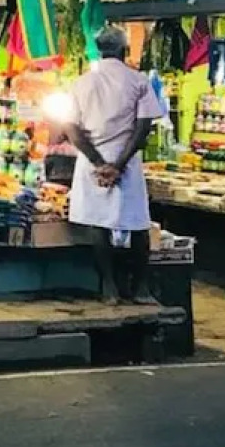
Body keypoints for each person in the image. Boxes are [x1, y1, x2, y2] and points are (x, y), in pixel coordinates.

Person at [62, 26, 166, 304]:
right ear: (124, 51)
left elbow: (71, 129)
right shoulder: (138, 81)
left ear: (98, 50)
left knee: (99, 224)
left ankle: (109, 288)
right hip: (127, 160)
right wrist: (118, 165)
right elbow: (143, 127)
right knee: (137, 223)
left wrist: (98, 163)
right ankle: (141, 288)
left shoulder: (81, 83)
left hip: (91, 162)